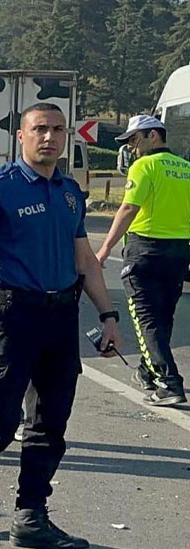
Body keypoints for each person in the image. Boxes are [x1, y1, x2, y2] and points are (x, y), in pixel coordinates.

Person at [0, 103, 121, 548]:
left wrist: (109, 315)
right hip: (10, 316)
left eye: (58, 130)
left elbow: (86, 261)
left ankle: (31, 514)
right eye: (40, 129)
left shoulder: (70, 192)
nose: (50, 137)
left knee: (50, 422)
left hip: (60, 317)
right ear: (21, 137)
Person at [95, 114, 190, 406]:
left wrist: (104, 249)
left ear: (153, 135)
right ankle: (148, 372)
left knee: (145, 318)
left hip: (145, 250)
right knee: (163, 317)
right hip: (178, 252)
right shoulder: (186, 168)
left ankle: (168, 382)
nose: (132, 149)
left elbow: (127, 209)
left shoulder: (144, 165)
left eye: (134, 140)